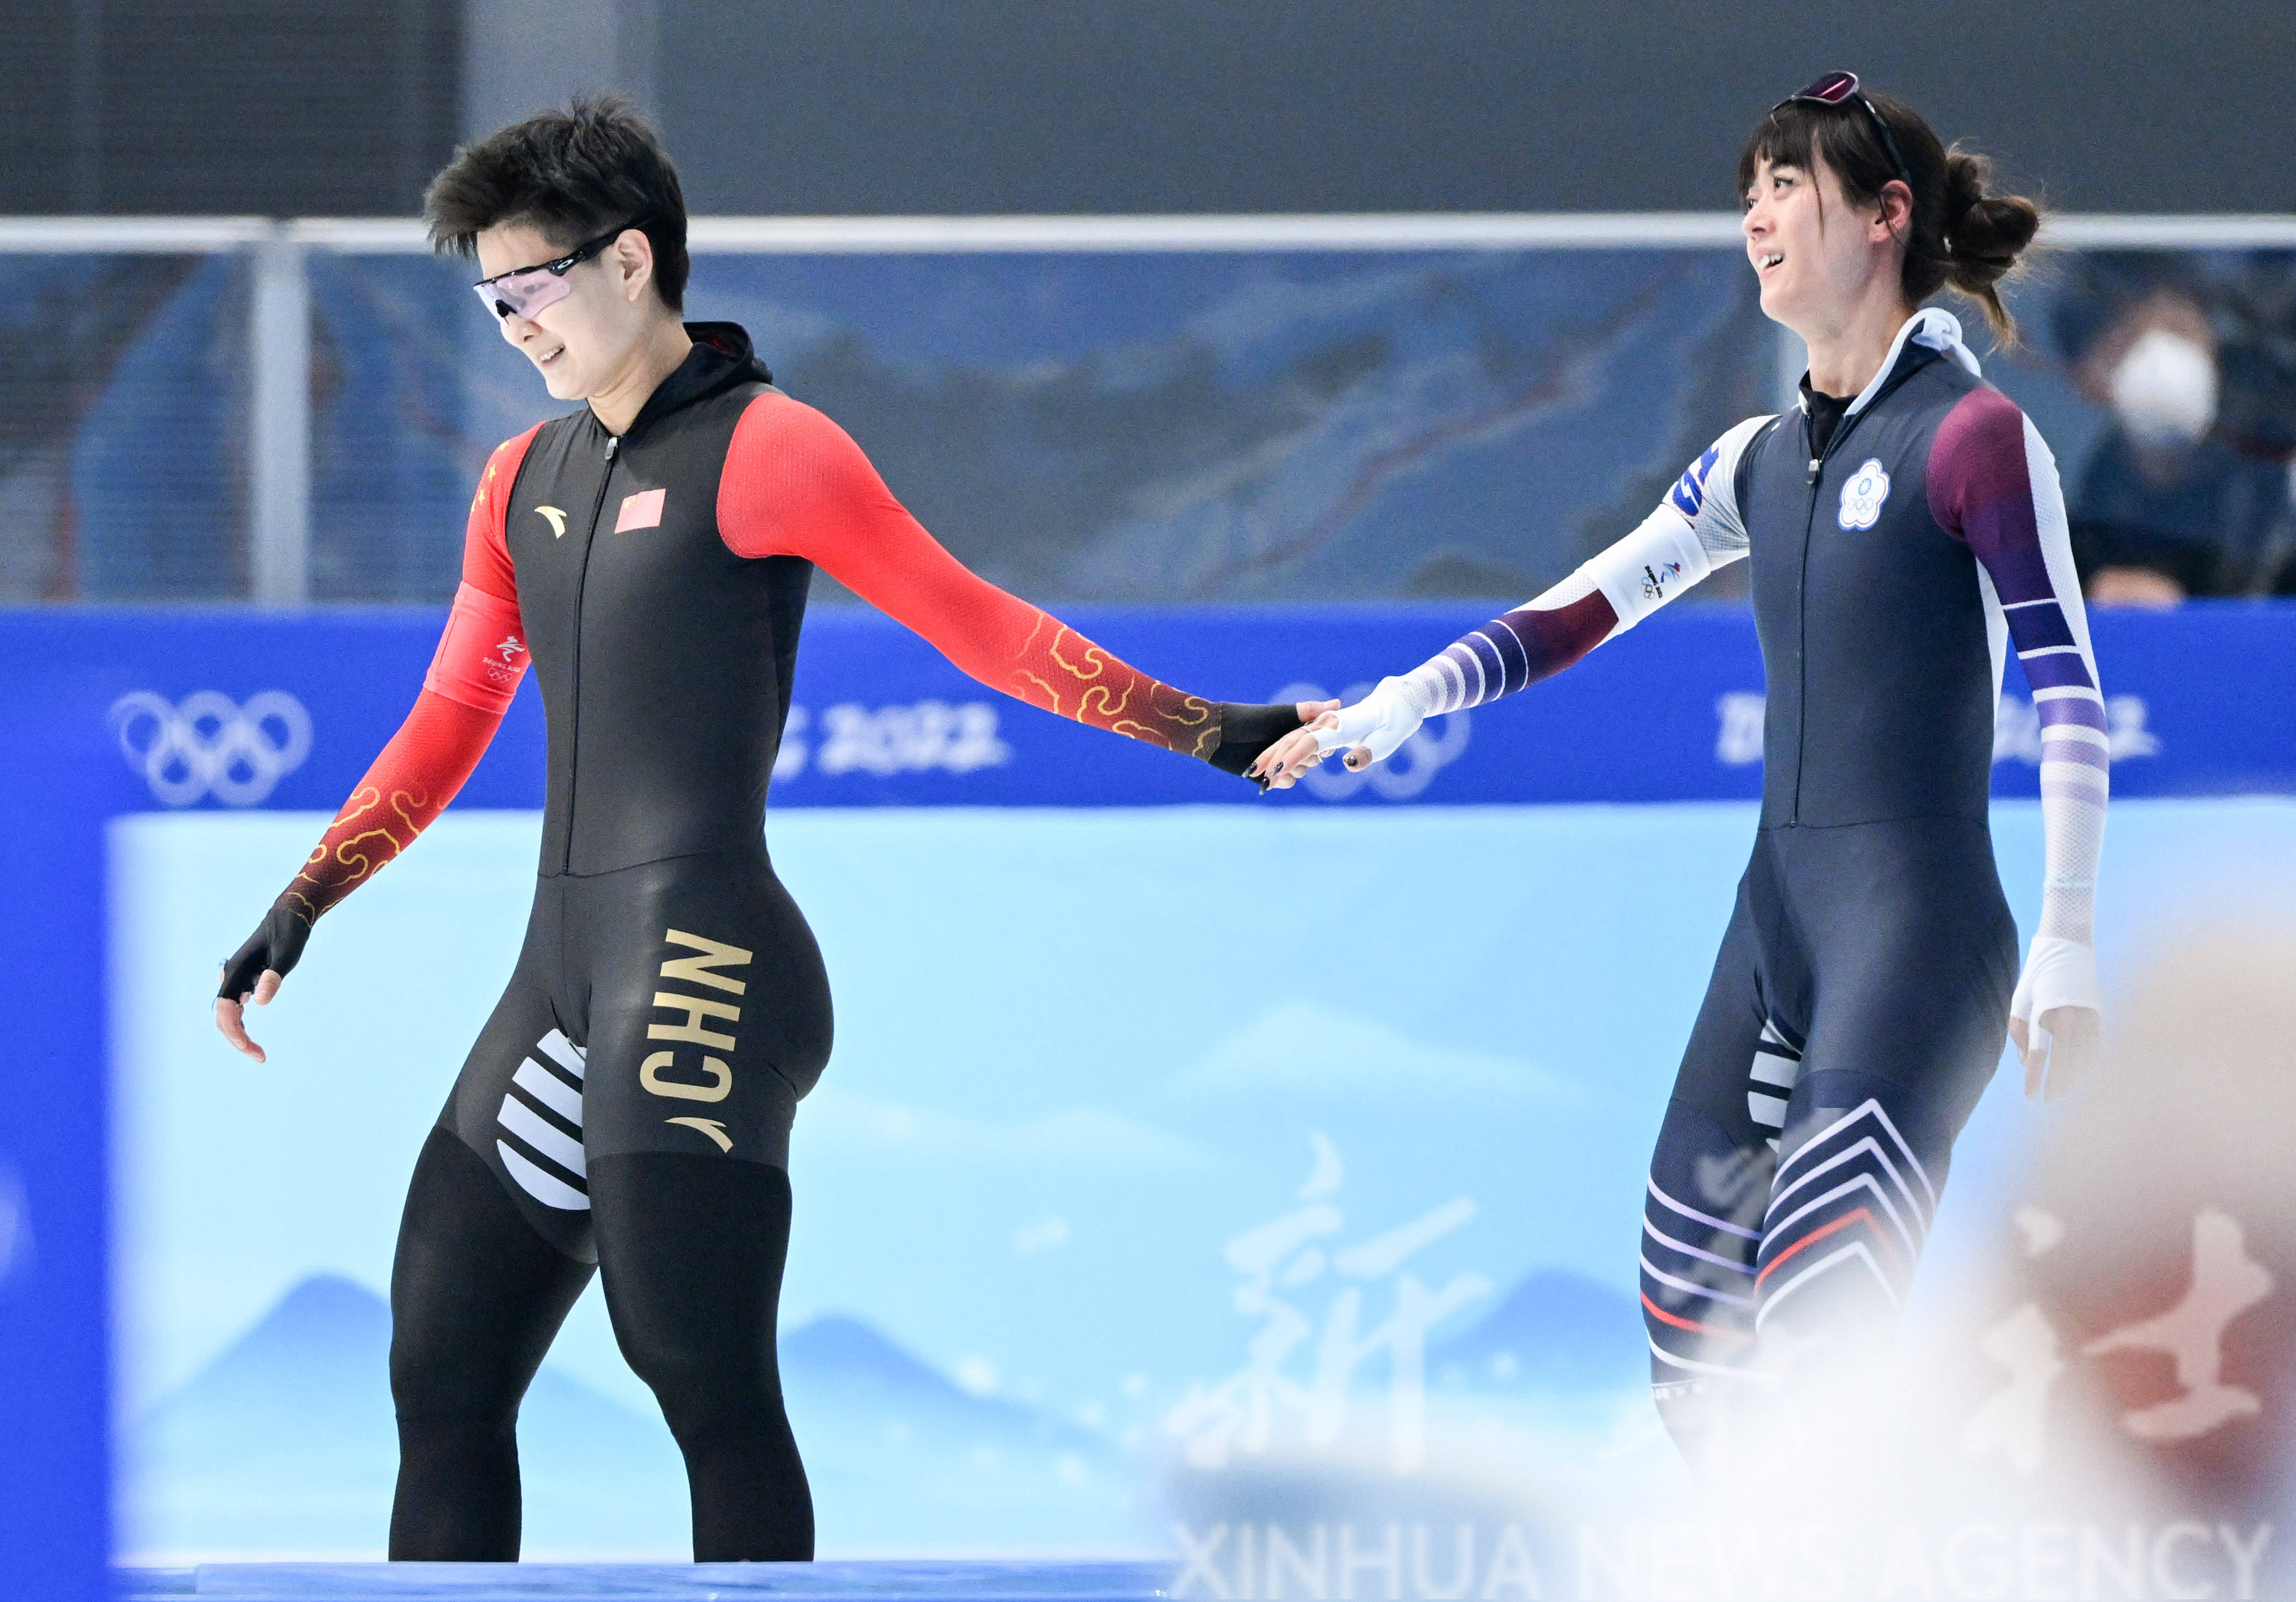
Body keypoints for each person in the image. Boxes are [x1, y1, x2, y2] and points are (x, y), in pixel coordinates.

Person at [211, 99, 1315, 1563]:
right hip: (562, 974)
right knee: (441, 1372)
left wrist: (1211, 730)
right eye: (486, 299)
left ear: (628, 262)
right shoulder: (517, 484)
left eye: (529, 288)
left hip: (705, 956)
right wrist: (303, 901)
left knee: (697, 1370)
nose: (510, 326)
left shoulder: (771, 448)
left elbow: (978, 628)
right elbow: (445, 724)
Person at [1258, 72, 2105, 1468]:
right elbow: (1575, 611)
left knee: (1817, 1342)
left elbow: (2064, 688)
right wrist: (1400, 702)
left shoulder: (1971, 439)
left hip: (1920, 945)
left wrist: (2066, 935)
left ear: (1885, 218)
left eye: (1789, 185)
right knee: (1689, 1343)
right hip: (1773, 933)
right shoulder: (1750, 463)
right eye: (1747, 191)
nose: (1757, 216)